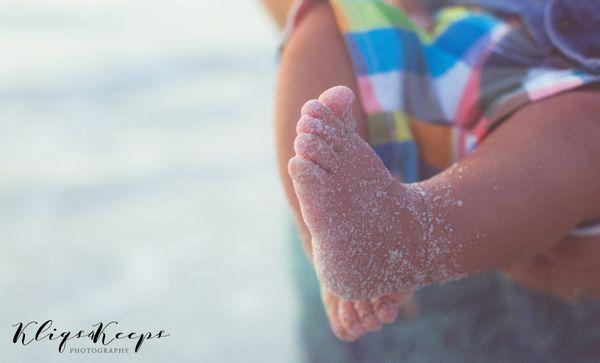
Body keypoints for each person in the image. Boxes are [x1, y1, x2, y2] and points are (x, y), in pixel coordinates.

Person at [274, 0, 600, 360]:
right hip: (422, 26)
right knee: (323, 24)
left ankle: (411, 234)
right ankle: (329, 240)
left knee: (586, 126)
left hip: (561, 67)